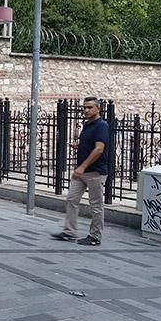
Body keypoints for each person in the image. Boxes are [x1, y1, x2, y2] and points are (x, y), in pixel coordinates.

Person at [52, 97, 109, 246]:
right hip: (81, 172)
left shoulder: (101, 125)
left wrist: (82, 167)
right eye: (84, 107)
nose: (86, 110)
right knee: (71, 199)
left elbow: (99, 149)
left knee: (96, 206)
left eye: (90, 107)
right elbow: (92, 145)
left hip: (95, 172)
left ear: (98, 109)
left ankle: (95, 237)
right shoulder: (87, 125)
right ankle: (69, 232)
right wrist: (79, 146)